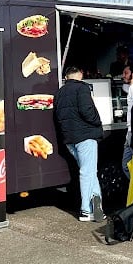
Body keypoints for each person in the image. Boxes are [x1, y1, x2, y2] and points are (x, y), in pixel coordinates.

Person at [54, 67, 104, 222]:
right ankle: (85, 210)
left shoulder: (59, 92)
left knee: (90, 171)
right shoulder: (82, 88)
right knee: (87, 172)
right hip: (85, 136)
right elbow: (87, 110)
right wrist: (98, 121)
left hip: (69, 139)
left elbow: (58, 115)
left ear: (66, 77)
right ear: (80, 75)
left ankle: (97, 205)